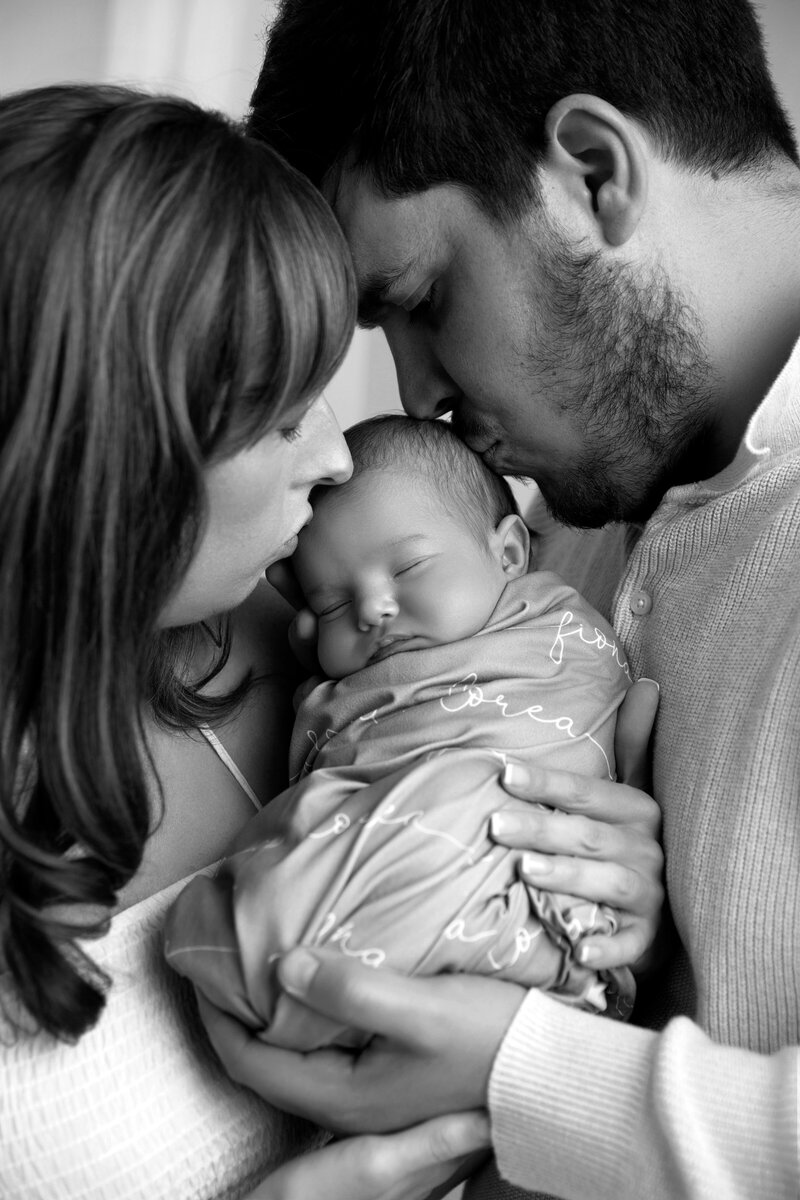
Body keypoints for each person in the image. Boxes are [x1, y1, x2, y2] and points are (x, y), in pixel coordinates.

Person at [194, 1, 800, 1198]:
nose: (412, 399)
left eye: (417, 301)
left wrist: (529, 1076)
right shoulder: (551, 516)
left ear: (589, 171)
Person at [0, 82, 502, 1200]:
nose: (334, 459)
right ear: (105, 457)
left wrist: (582, 857)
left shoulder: (338, 653)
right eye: (280, 416)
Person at [165, 414, 636, 1049]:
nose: (371, 608)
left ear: (509, 553)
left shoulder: (554, 636)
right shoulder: (319, 672)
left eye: (408, 568)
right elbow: (345, 762)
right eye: (332, 604)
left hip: (507, 845)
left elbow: (586, 703)